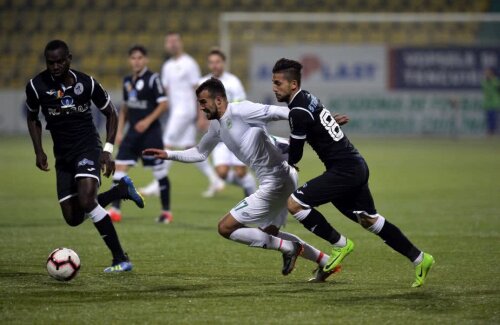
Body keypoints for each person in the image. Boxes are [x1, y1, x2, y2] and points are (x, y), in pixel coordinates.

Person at [143, 78, 346, 281]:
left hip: (276, 181)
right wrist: (168, 154)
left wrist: (319, 121)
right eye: (199, 102)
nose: (201, 107)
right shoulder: (216, 127)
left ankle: (291, 248)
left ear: (219, 100)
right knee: (269, 234)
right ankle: (325, 260)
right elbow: (199, 152)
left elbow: (280, 112)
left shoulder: (242, 111)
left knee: (225, 228)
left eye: (204, 102)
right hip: (283, 176)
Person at [271, 58, 434, 288]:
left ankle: (340, 245)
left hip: (345, 171)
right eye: (273, 82)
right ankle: (421, 259)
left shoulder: (296, 111)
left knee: (295, 204)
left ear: (293, 84)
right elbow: (318, 123)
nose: (274, 88)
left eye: (278, 83)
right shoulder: (307, 97)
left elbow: (295, 155)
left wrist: (273, 154)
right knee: (369, 219)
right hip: (354, 165)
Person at [25, 40, 145, 273]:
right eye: (51, 63)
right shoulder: (36, 86)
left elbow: (111, 113)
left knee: (88, 200)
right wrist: (38, 150)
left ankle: (120, 258)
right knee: (73, 217)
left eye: (60, 61)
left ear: (69, 58)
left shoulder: (87, 83)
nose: (56, 66)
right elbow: (32, 117)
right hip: (63, 156)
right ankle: (119, 191)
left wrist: (107, 150)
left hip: (87, 147)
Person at [139, 32, 223, 203]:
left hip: (185, 112)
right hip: (176, 112)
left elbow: (198, 91)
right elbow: (167, 92)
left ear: (180, 43)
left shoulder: (189, 63)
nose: (172, 44)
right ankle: (215, 180)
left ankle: (157, 183)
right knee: (190, 147)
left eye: (175, 41)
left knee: (166, 144)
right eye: (169, 41)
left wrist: (201, 115)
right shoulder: (167, 66)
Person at [107, 45, 171, 223]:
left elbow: (163, 104)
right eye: (133, 58)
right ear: (130, 60)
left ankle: (166, 212)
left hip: (151, 134)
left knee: (159, 173)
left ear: (146, 60)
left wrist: (147, 121)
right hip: (132, 135)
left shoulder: (153, 79)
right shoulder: (127, 81)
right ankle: (115, 210)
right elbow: (126, 109)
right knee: (119, 168)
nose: (137, 61)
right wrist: (119, 131)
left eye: (140, 58)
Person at [199, 48, 257, 197]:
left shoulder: (233, 82)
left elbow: (241, 106)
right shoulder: (203, 83)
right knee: (222, 173)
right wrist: (201, 119)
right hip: (218, 136)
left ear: (223, 63)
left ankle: (252, 199)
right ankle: (248, 184)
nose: (215, 65)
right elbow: (200, 106)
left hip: (236, 133)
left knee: (240, 171)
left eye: (217, 62)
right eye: (211, 62)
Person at [482, 68, 500, 136]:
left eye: (488, 72)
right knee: (488, 121)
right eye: (486, 72)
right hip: (487, 104)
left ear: (492, 73)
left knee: (494, 121)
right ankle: (490, 133)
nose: (486, 74)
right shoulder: (484, 81)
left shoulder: (496, 81)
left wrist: (492, 80)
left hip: (495, 104)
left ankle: (495, 134)